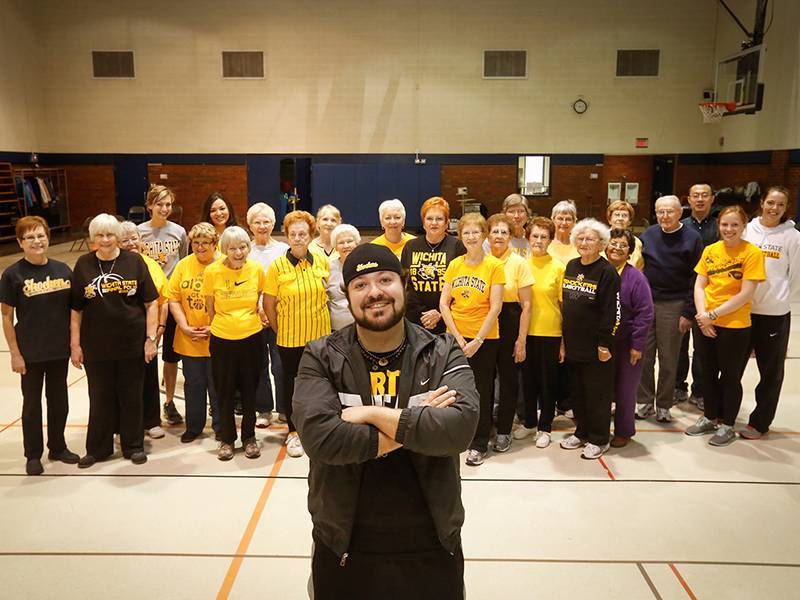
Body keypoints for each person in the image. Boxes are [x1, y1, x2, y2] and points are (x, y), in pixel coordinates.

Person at [292, 243, 479, 600]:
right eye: (360, 284)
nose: (375, 291)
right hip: (343, 544)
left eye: (385, 279)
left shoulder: (442, 351)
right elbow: (320, 439)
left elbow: (459, 430)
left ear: (403, 284)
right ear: (347, 296)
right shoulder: (321, 356)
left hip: (432, 541)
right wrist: (420, 422)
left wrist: (370, 415)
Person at [70, 214, 159, 468]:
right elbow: (76, 310)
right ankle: (98, 448)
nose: (106, 239)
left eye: (110, 234)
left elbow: (151, 302)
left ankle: (133, 446)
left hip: (131, 344)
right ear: (93, 238)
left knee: (131, 395)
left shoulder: (134, 261)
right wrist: (75, 345)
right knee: (100, 397)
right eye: (100, 235)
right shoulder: (83, 264)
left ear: (118, 236)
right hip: (96, 346)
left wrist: (150, 338)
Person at [0, 216, 78, 475]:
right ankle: (33, 454)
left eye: (41, 235)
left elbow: (74, 313)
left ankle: (58, 446)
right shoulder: (12, 275)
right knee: (32, 404)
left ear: (48, 237)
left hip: (59, 350)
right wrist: (15, 354)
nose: (37, 241)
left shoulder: (62, 270)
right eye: (30, 237)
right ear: (21, 242)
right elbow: (7, 317)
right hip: (30, 352)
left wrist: (75, 344)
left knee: (59, 400)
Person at [686, 205, 765, 446]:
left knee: (730, 377)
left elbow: (746, 293)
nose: (729, 229)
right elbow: (700, 285)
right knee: (707, 373)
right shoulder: (710, 250)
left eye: (734, 225)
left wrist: (713, 314)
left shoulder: (752, 253)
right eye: (724, 224)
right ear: (718, 225)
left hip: (735, 324)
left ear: (743, 227)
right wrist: (702, 316)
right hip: (706, 321)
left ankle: (727, 424)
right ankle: (710, 416)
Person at [264, 210, 331, 459]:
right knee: (292, 386)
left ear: (310, 235)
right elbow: (269, 303)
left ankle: (319, 428)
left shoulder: (322, 262)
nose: (298, 238)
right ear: (287, 236)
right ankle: (294, 431)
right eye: (293, 234)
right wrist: (278, 328)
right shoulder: (278, 266)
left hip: (320, 338)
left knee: (321, 384)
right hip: (290, 338)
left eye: (302, 234)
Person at [440, 213, 504, 466]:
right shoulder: (455, 265)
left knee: (482, 390)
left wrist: (477, 340)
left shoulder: (494, 266)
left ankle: (479, 442)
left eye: (475, 232)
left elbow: (495, 307)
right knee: (455, 389)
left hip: (485, 339)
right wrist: (457, 336)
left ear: (484, 235)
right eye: (466, 233)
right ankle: (458, 435)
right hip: (456, 337)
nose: (470, 237)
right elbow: (444, 304)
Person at [636, 195, 703, 423]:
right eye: (660, 212)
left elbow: (697, 278)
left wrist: (688, 311)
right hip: (647, 302)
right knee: (643, 355)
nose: (664, 216)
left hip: (674, 304)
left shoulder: (692, 238)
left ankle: (664, 404)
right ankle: (644, 401)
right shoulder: (648, 235)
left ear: (680, 213)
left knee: (668, 357)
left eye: (669, 211)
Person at [741, 187, 800, 438]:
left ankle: (759, 422)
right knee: (732, 367)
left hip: (774, 314)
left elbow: (795, 277)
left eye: (780, 205)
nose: (774, 208)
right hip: (741, 310)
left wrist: (781, 300)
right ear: (762, 203)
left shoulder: (792, 237)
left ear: (786, 208)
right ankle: (723, 413)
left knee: (770, 372)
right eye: (770, 203)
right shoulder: (746, 230)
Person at [559, 218, 620, 460]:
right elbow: (567, 306)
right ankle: (582, 432)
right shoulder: (572, 266)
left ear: (601, 243)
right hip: (574, 345)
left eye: (590, 239)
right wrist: (564, 341)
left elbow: (612, 313)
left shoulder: (607, 272)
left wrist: (604, 344)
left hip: (597, 347)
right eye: (581, 239)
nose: (584, 243)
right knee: (578, 393)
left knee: (597, 395)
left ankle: (599, 438)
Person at [203, 226, 265, 460]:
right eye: (232, 248)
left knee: (250, 390)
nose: (238, 252)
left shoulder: (257, 269)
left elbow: (258, 298)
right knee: (224, 391)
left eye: (242, 247)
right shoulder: (212, 272)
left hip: (251, 337)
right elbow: (210, 308)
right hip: (222, 339)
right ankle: (227, 439)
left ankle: (249, 437)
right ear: (224, 249)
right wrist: (222, 325)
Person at [137, 185, 188, 427]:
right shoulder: (139, 233)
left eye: (168, 204)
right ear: (150, 206)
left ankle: (169, 402)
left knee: (170, 355)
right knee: (144, 354)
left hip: (172, 301)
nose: (164, 208)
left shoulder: (179, 232)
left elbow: (185, 262)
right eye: (160, 204)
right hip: (148, 303)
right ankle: (143, 404)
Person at [168, 222, 221, 443]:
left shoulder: (224, 263)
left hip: (218, 337)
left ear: (214, 243)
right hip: (189, 337)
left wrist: (215, 326)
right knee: (194, 384)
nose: (199, 247)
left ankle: (221, 426)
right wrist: (184, 326)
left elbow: (233, 300)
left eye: (205, 243)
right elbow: (173, 299)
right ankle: (194, 426)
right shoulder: (183, 265)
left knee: (218, 384)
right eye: (195, 243)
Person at [516, 217, 565, 448]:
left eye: (544, 237)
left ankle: (545, 427)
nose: (538, 240)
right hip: (524, 333)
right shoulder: (520, 264)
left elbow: (565, 307)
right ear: (528, 238)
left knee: (548, 383)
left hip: (550, 333)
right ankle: (529, 423)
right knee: (528, 381)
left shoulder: (558, 267)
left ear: (550, 240)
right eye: (535, 236)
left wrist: (564, 342)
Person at [486, 214, 533, 452]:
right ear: (488, 235)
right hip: (485, 322)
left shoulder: (519, 262)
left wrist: (521, 340)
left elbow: (526, 306)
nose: (499, 236)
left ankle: (504, 430)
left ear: (509, 236)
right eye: (495, 231)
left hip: (510, 321)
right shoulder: (481, 261)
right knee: (483, 381)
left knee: (508, 380)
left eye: (504, 232)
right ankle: (483, 431)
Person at [119, 221, 169, 440]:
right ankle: (124, 425)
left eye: (134, 238)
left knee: (149, 377)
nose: (131, 243)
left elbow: (163, 299)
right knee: (124, 381)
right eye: (125, 240)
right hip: (124, 333)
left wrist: (160, 327)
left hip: (148, 331)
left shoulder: (151, 264)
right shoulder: (115, 266)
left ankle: (152, 421)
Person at [605, 228, 653, 447]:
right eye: (613, 243)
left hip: (627, 343)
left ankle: (624, 431)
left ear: (630, 251)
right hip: (603, 342)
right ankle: (598, 427)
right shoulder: (600, 271)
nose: (617, 248)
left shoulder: (636, 278)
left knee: (625, 389)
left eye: (623, 245)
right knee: (601, 388)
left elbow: (645, 313)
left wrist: (637, 345)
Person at [675, 183, 719, 409]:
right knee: (679, 345)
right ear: (689, 199)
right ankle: (678, 387)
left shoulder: (720, 227)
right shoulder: (680, 226)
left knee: (703, 348)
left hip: (713, 296)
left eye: (705, 195)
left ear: (712, 198)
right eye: (695, 196)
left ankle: (700, 391)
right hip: (685, 293)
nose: (700, 199)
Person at [247, 202, 289, 428]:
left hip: (279, 317)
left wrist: (269, 312)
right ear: (249, 225)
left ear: (273, 224)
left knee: (280, 365)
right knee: (258, 365)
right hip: (251, 317)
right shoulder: (246, 250)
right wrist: (258, 310)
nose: (262, 226)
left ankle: (283, 407)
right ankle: (263, 409)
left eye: (266, 222)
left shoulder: (283, 250)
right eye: (257, 222)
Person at [401, 196, 465, 334]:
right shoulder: (410, 246)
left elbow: (461, 285)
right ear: (423, 222)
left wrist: (440, 311)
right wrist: (423, 314)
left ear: (447, 223)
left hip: (448, 319)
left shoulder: (457, 246)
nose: (434, 223)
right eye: (429, 219)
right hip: (416, 319)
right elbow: (406, 285)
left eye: (439, 219)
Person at [326, 223, 360, 330]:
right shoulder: (328, 267)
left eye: (349, 241)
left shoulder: (364, 265)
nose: (346, 246)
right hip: (335, 330)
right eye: (341, 243)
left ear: (356, 243)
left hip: (361, 328)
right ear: (335, 247)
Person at [604, 200, 644, 269]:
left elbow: (638, 266)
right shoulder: (599, 239)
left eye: (624, 215)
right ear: (609, 220)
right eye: (617, 215)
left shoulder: (637, 242)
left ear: (629, 221)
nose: (620, 218)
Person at [548, 199, 580, 264]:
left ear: (574, 222)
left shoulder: (580, 244)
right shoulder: (545, 242)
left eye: (568, 219)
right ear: (553, 220)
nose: (564, 223)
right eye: (560, 219)